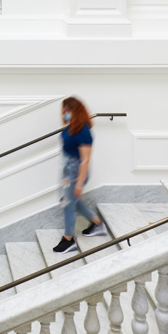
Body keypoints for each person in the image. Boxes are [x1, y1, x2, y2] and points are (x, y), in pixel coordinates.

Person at [53, 97, 106, 252]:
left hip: (76, 172)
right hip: (68, 172)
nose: (63, 113)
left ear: (74, 111)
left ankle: (68, 239)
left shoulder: (83, 132)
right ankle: (97, 223)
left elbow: (85, 160)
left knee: (68, 205)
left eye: (66, 110)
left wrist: (78, 184)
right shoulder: (72, 127)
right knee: (69, 201)